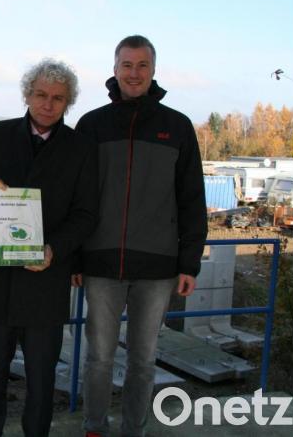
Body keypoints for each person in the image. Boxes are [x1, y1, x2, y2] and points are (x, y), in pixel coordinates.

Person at [73, 35, 208, 437]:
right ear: (114, 69)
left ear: (153, 70)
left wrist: (189, 262)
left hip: (158, 267)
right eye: (127, 65)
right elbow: (76, 197)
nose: (134, 73)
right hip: (100, 263)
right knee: (98, 357)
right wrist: (76, 258)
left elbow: (192, 199)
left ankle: (135, 429)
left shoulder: (178, 127)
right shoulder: (92, 125)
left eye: (142, 65)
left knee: (144, 359)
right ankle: (94, 427)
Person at [0, 58, 98, 437]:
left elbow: (86, 214)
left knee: (41, 382)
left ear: (68, 103)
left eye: (58, 97)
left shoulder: (81, 148)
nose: (48, 103)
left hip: (45, 281)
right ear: (27, 94)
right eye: (41, 94)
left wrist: (55, 248)